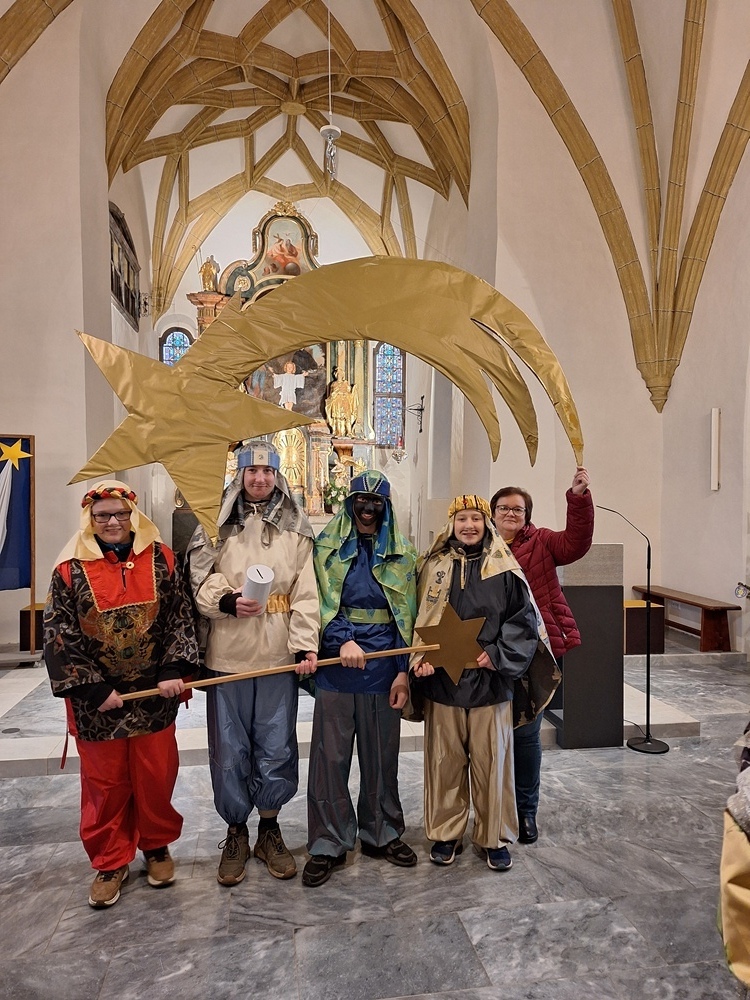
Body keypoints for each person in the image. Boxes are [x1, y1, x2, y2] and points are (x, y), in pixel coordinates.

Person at [43, 480, 199, 909]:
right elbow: (59, 633)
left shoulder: (163, 559)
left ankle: (156, 846)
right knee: (106, 784)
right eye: (102, 516)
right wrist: (94, 688)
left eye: (120, 514)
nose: (112, 522)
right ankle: (110, 862)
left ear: (133, 515)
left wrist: (173, 669)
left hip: (154, 694)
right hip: (98, 701)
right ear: (89, 519)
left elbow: (180, 617)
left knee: (155, 774)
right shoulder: (69, 570)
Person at [187, 440, 319, 884]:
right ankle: (236, 832)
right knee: (230, 747)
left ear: (277, 476)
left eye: (267, 471)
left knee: (276, 742)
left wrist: (305, 645)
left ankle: (269, 829)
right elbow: (199, 577)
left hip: (277, 653)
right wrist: (226, 600)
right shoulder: (215, 525)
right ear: (239, 474)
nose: (260, 479)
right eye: (252, 471)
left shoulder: (296, 528)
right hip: (229, 652)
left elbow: (306, 592)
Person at [412, 495, 556, 872]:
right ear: (451, 523)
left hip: (490, 680)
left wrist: (497, 653)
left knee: (492, 763)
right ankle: (446, 833)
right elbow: (416, 615)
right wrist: (419, 658)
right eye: (462, 518)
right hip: (443, 683)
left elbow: (522, 620)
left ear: (486, 523)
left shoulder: (504, 568)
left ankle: (493, 836)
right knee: (445, 762)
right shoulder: (432, 565)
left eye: (476, 518)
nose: (469, 526)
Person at [303, 471, 418, 887]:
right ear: (349, 503)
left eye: (376, 502)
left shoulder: (404, 554)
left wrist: (402, 671)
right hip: (339, 664)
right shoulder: (325, 549)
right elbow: (317, 600)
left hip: (384, 667)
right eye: (361, 501)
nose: (368, 509)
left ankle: (381, 832)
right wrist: (342, 639)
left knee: (381, 756)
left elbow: (409, 615)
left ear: (385, 507)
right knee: (330, 759)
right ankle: (328, 842)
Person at [490, 467, 594, 844]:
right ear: (492, 513)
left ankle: (526, 812)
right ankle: (493, 810)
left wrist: (578, 499)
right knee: (491, 735)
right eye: (504, 508)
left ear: (527, 515)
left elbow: (575, 543)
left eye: (518, 509)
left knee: (527, 735)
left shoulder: (542, 541)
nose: (510, 514)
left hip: (535, 651)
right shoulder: (481, 548)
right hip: (491, 654)